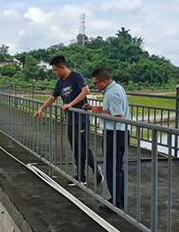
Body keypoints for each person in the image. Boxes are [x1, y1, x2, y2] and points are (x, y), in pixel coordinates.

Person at [32, 56, 103, 187]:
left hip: (81, 119)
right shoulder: (60, 82)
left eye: (55, 70)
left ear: (62, 67)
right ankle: (81, 176)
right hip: (70, 120)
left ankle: (96, 169)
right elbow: (53, 97)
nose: (54, 73)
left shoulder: (76, 76)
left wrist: (70, 104)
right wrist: (41, 109)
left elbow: (85, 90)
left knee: (82, 148)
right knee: (75, 149)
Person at [82, 68, 130, 212]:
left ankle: (116, 203)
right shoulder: (116, 88)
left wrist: (99, 111)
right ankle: (117, 200)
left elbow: (118, 115)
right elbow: (110, 108)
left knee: (112, 169)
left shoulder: (113, 92)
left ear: (104, 81)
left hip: (115, 134)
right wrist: (94, 107)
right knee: (116, 169)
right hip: (119, 133)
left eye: (96, 83)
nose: (95, 86)